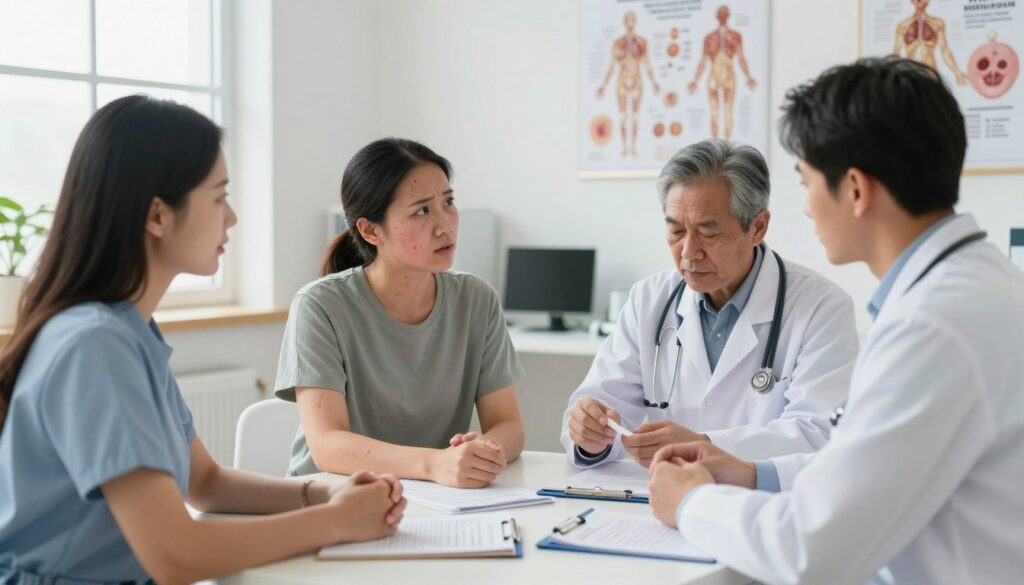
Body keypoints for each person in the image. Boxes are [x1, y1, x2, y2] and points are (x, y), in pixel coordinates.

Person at [0, 96, 405, 584]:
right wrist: (337, 522)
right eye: (218, 196)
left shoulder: (130, 330)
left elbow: (205, 483)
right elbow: (176, 557)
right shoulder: (95, 346)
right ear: (157, 215)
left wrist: (322, 495)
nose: (231, 218)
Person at [649, 58, 1024, 584]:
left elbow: (812, 549)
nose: (805, 209)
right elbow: (873, 465)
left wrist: (692, 503)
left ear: (854, 189)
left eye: (806, 183)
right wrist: (753, 472)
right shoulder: (974, 288)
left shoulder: (935, 326)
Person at [561, 138, 859, 468]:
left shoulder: (822, 308)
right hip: (663, 502)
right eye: (676, 231)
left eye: (708, 232)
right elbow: (603, 405)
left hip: (764, 507)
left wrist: (704, 446)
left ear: (757, 227)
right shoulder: (649, 300)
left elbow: (818, 434)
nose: (689, 252)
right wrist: (590, 434)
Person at [274, 138, 525, 488]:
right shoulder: (319, 306)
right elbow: (327, 446)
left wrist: (481, 450)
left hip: (433, 497)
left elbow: (508, 425)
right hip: (331, 497)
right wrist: (434, 463)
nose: (445, 225)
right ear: (370, 230)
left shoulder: (477, 299)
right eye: (422, 210)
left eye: (448, 202)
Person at [687, 5, 758, 140]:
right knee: (714, 113)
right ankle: (714, 147)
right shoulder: (709, 38)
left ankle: (726, 146)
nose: (722, 16)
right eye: (720, 14)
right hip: (714, 74)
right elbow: (703, 61)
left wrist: (748, 76)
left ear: (728, 16)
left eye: (724, 14)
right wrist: (695, 80)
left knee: (728, 112)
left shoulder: (735, 36)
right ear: (717, 16)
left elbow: (741, 57)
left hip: (728, 74)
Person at [597, 10, 661, 157]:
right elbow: (612, 66)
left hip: (637, 80)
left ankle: (633, 147)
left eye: (633, 20)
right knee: (623, 115)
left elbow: (647, 64)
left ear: (635, 22)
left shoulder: (642, 42)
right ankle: (625, 147)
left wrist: (654, 83)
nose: (630, 23)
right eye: (628, 20)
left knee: (636, 115)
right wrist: (604, 85)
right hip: (622, 80)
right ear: (625, 23)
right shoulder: (617, 43)